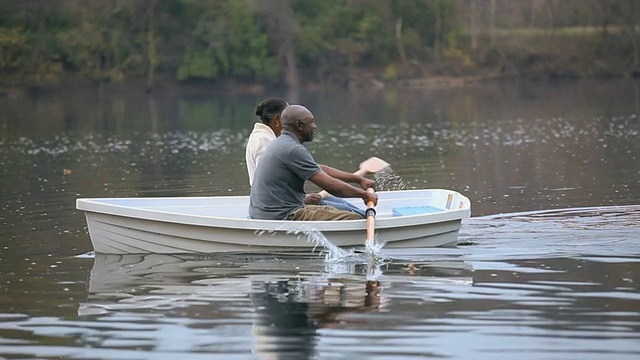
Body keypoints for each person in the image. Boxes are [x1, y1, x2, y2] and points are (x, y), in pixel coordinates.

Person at [249, 104, 378, 221]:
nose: (315, 126)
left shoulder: (282, 143)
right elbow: (331, 186)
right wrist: (364, 195)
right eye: (311, 122)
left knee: (342, 206)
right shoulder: (292, 149)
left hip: (268, 212)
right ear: (299, 126)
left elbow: (321, 169)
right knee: (355, 218)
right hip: (282, 215)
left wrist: (359, 180)